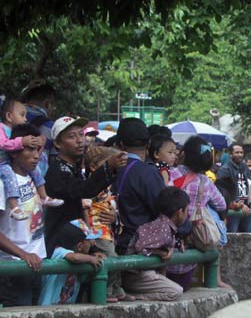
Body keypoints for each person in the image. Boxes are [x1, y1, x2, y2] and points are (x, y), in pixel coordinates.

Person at [45, 116, 126, 254]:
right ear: (58, 144)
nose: (79, 140)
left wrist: (93, 249)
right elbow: (84, 189)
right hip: (61, 247)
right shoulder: (57, 170)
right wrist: (108, 166)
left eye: (81, 135)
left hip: (76, 243)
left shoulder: (73, 169)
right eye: (72, 136)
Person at [168, 136, 227, 290]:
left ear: (184, 154)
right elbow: (222, 205)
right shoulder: (206, 182)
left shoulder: (171, 174)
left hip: (166, 248)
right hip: (191, 249)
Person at [0, 124, 47, 306]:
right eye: (29, 149)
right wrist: (23, 255)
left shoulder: (34, 177)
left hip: (38, 263)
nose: (36, 155)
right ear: (14, 151)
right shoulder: (3, 183)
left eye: (37, 149)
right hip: (15, 266)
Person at [121, 187, 187, 301]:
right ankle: (136, 297)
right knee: (176, 291)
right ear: (180, 212)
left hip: (140, 274)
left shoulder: (163, 224)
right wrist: (162, 252)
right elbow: (140, 247)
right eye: (187, 210)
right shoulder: (163, 228)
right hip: (135, 275)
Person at [0, 99, 62, 221]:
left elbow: (30, 151)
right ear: (9, 116)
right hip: (2, 163)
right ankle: (14, 206)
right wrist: (21, 142)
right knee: (9, 177)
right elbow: (3, 144)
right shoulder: (1, 128)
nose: (25, 119)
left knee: (36, 170)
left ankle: (44, 197)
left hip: (10, 163)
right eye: (22, 115)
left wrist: (40, 142)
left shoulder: (14, 132)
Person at [112, 118, 165, 255]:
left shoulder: (106, 168)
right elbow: (162, 210)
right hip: (138, 249)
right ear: (149, 144)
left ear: (121, 145)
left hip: (110, 244)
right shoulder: (148, 173)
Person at [38, 220, 105, 305]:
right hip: (47, 307)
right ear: (79, 246)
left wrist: (94, 254)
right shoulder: (58, 251)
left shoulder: (83, 257)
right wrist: (91, 258)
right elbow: (75, 257)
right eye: (89, 241)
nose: (92, 243)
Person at [217, 143, 251, 233]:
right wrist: (238, 203)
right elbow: (223, 190)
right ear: (231, 154)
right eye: (237, 152)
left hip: (247, 207)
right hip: (234, 208)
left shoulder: (244, 167)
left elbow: (250, 183)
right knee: (232, 234)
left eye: (241, 152)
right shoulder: (225, 169)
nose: (240, 155)